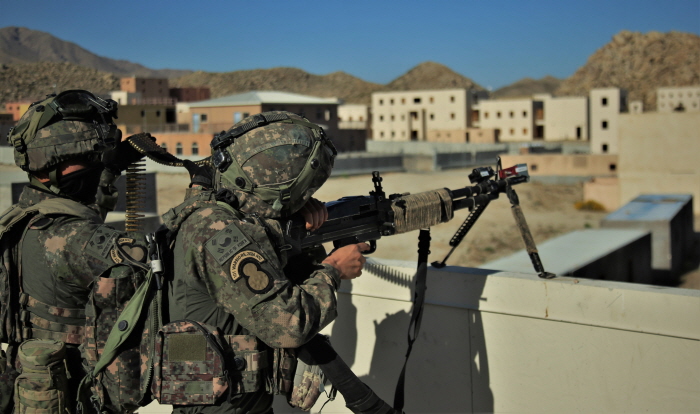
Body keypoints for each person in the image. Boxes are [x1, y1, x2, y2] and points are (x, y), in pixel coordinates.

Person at [163, 111, 370, 413]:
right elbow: (290, 325)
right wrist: (334, 269)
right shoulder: (220, 232)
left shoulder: (214, 209)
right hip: (222, 405)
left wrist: (295, 218)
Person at [0, 90, 149, 413]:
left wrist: (111, 169)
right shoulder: (93, 247)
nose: (102, 164)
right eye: (97, 157)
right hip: (78, 400)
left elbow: (78, 211)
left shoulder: (17, 222)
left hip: (25, 389)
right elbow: (127, 389)